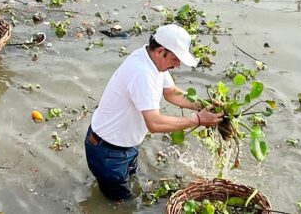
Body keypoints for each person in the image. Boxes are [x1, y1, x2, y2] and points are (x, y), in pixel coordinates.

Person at [84, 24, 224, 201]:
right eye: (175, 59)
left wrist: (201, 105)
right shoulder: (142, 72)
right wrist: (197, 119)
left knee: (130, 186)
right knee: (120, 204)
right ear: (160, 51)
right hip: (108, 151)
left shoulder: (153, 61)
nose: (177, 64)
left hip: (125, 146)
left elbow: (170, 92)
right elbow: (154, 123)